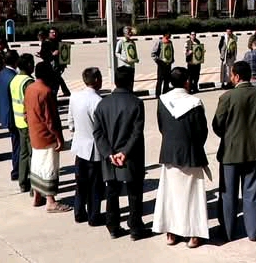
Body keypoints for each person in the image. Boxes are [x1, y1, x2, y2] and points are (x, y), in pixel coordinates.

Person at [212, 61, 256, 242]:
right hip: (255, 150)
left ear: (237, 76)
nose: (230, 77)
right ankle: (254, 232)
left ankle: (228, 232)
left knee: (228, 194)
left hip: (230, 152)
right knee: (253, 192)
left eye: (231, 74)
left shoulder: (227, 97)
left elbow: (217, 125)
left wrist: (229, 137)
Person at [153, 67, 210, 248]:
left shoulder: (163, 100)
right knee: (192, 196)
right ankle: (194, 235)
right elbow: (201, 132)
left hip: (169, 153)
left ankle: (171, 233)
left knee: (171, 195)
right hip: (191, 154)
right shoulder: (194, 102)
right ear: (187, 82)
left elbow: (162, 127)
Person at [93, 66, 151, 240]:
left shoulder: (102, 104)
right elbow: (137, 132)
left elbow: (98, 133)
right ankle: (135, 227)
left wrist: (109, 154)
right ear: (131, 81)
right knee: (134, 191)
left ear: (115, 81)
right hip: (131, 156)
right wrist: (124, 153)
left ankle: (113, 226)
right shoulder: (136, 103)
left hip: (110, 157)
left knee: (112, 190)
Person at [24, 62, 71, 213]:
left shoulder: (30, 88)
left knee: (37, 165)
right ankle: (50, 201)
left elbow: (26, 112)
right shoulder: (46, 92)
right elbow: (51, 120)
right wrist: (59, 138)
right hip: (47, 137)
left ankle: (37, 196)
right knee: (49, 167)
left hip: (34, 133)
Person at [68, 67, 105, 227]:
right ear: (96, 80)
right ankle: (94, 216)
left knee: (81, 183)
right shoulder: (98, 101)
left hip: (79, 147)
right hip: (93, 149)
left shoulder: (75, 97)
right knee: (95, 185)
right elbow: (102, 128)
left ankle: (79, 212)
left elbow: (71, 122)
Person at [10, 54, 36, 193]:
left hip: (19, 121)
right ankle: (34, 186)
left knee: (23, 153)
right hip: (28, 122)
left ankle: (22, 182)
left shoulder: (15, 79)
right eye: (32, 63)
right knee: (32, 154)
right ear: (28, 65)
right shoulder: (28, 82)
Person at [0, 50, 20, 180]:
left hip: (6, 114)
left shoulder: (2, 73)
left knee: (15, 144)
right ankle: (16, 171)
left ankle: (17, 169)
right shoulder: (13, 77)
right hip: (14, 116)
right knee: (18, 146)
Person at [41, 27, 71, 97]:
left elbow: (64, 53)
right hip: (50, 64)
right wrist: (52, 54)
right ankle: (60, 92)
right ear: (49, 34)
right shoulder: (46, 43)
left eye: (55, 32)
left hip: (58, 64)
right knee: (57, 78)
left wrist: (64, 63)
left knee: (57, 77)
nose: (54, 34)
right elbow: (43, 54)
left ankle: (59, 92)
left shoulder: (59, 42)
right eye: (52, 32)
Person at [151, 33, 174, 97]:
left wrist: (172, 59)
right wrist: (159, 61)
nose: (169, 36)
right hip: (161, 65)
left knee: (167, 80)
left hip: (168, 65)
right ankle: (158, 95)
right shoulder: (159, 42)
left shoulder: (170, 42)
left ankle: (165, 94)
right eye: (168, 34)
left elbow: (172, 52)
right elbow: (153, 54)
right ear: (164, 35)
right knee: (160, 81)